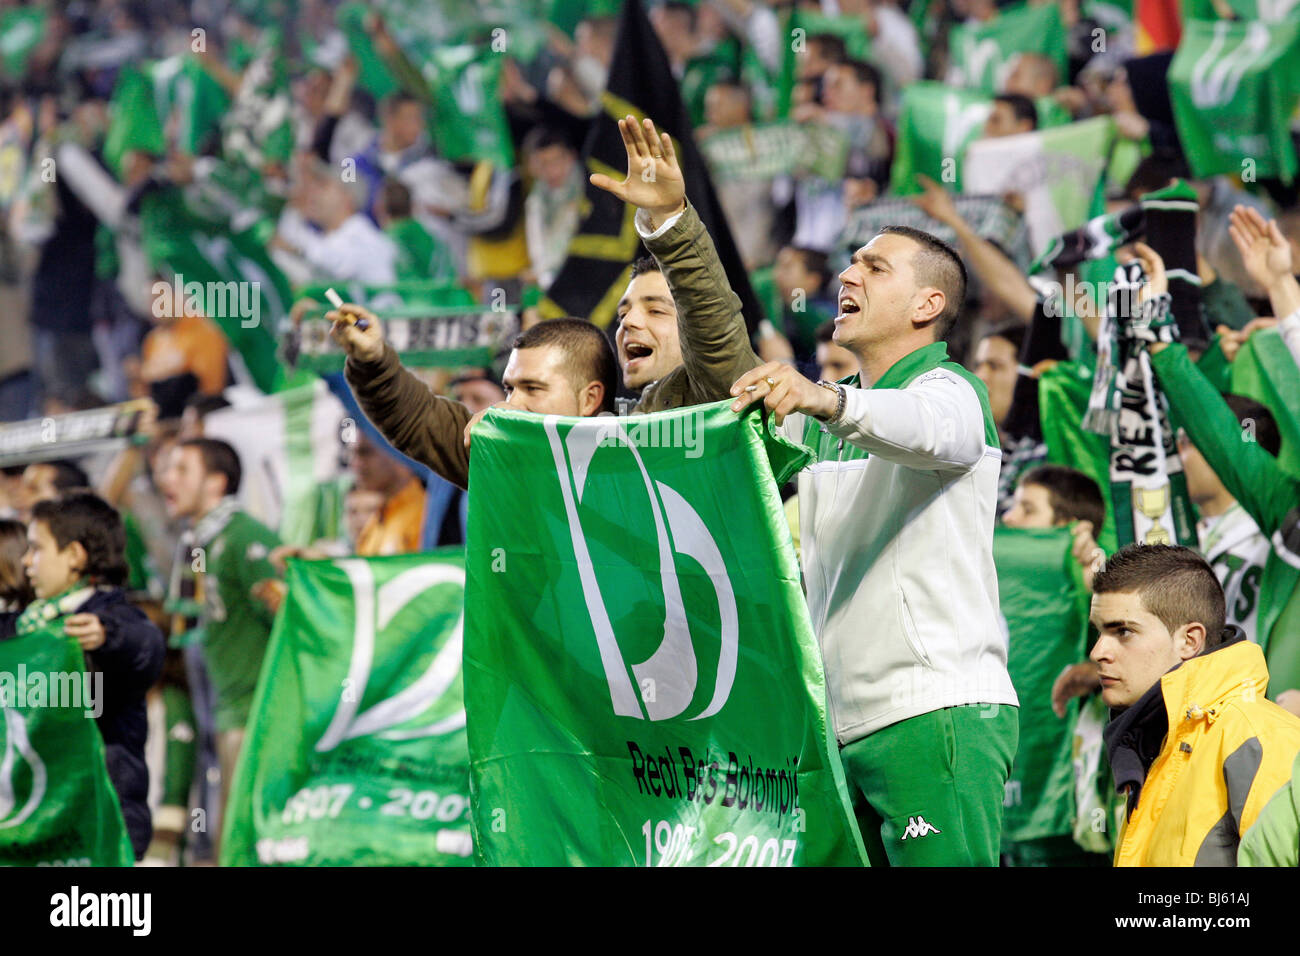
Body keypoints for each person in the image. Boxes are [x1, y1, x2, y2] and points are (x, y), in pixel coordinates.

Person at [731, 224, 1019, 866]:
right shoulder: (835, 415)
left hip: (932, 709)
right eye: (851, 263)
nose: (847, 276)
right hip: (838, 729)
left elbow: (930, 430)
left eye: (875, 267)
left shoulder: (951, 392)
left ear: (928, 305)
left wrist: (827, 401)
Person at [336, 116, 759, 488]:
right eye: (624, 311)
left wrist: (670, 221)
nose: (629, 322)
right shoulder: (539, 456)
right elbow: (422, 423)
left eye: (655, 308)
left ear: (590, 397)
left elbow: (715, 330)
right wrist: (374, 366)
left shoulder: (726, 405)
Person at [1092, 544, 1300, 866]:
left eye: (1123, 631)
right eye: (1099, 632)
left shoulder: (1260, 737)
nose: (1098, 652)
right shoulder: (1155, 738)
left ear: (1190, 640)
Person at [2, 493, 165, 861]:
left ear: (75, 556)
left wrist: (108, 636)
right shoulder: (30, 626)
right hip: (41, 823)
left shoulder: (110, 618)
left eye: (37, 549)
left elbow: (147, 647)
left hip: (102, 823)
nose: (26, 562)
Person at [158, 437, 280, 851]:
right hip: (226, 712)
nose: (166, 480)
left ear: (215, 482)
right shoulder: (198, 542)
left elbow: (287, 616)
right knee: (231, 840)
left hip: (254, 714)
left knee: (244, 843)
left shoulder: (245, 537)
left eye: (181, 470)